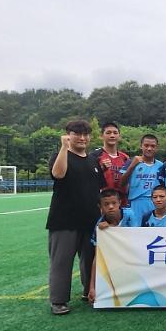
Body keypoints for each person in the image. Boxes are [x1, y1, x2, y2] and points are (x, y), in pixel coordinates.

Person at [46, 120, 104, 315]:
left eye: (85, 134)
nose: (82, 138)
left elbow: (99, 190)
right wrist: (63, 148)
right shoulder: (60, 155)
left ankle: (89, 292)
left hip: (90, 220)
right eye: (77, 133)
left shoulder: (92, 160)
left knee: (89, 260)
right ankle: (59, 300)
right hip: (64, 219)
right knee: (62, 261)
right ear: (68, 135)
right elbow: (58, 174)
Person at [87, 189, 138, 304]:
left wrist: (113, 230)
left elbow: (137, 241)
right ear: (100, 206)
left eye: (114, 203)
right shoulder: (99, 227)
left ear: (120, 203)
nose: (111, 207)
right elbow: (97, 258)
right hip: (114, 261)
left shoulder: (129, 215)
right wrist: (92, 287)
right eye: (106, 204)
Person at [119, 134, 162, 223]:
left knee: (152, 232)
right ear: (141, 146)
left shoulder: (161, 165)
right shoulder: (131, 162)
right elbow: (121, 184)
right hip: (136, 202)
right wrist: (132, 167)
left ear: (157, 148)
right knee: (135, 231)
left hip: (155, 202)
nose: (149, 148)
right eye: (146, 145)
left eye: (152, 146)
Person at [89, 122, 130, 206]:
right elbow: (88, 179)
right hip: (102, 202)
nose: (112, 135)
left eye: (115, 133)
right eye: (108, 133)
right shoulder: (94, 156)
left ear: (119, 136)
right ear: (101, 136)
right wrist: (101, 168)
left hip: (122, 201)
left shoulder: (125, 158)